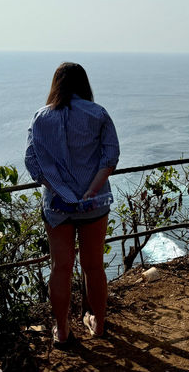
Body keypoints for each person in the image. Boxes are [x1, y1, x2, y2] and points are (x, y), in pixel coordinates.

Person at [25, 62, 119, 347]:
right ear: (84, 84)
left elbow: (32, 163)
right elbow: (111, 157)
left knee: (60, 268)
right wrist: (91, 189)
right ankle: (98, 325)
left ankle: (63, 330)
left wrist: (58, 188)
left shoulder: (41, 118)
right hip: (95, 203)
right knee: (94, 267)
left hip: (57, 206)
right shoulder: (98, 114)